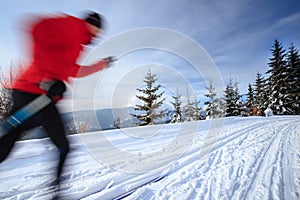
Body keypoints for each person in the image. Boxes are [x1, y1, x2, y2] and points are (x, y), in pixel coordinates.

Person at [0, 11, 113, 184]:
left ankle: (56, 194)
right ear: (93, 24)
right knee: (7, 143)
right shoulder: (74, 27)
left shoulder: (78, 43)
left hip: (44, 99)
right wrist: (43, 78)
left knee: (62, 146)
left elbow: (73, 70)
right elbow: (37, 28)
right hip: (30, 93)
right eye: (98, 29)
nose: (98, 34)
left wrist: (100, 65)